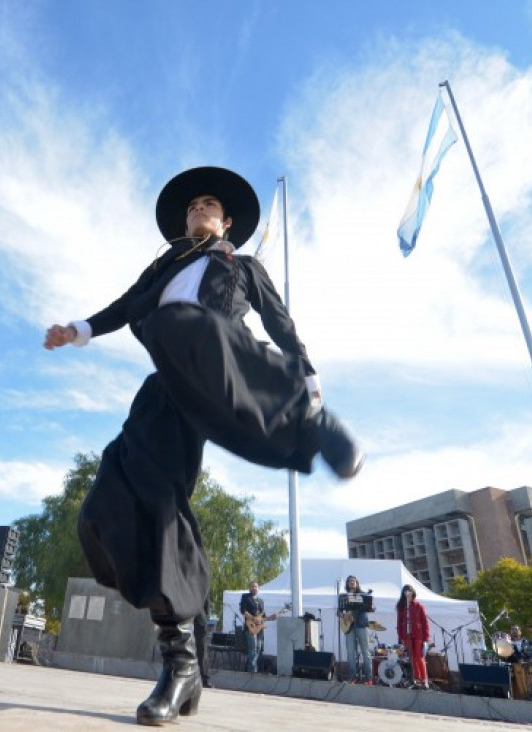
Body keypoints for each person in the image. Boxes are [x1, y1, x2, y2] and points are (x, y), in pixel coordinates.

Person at [45, 166, 362, 725]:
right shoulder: (164, 265)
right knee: (120, 503)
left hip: (222, 362)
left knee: (191, 326)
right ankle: (181, 663)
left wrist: (310, 384)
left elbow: (280, 323)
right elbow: (126, 305)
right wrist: (79, 329)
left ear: (226, 220)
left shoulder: (240, 264)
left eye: (208, 204)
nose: (198, 210)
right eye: (192, 206)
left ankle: (314, 430)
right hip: (168, 384)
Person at [239, 582, 280, 674]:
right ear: (250, 588)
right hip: (250, 627)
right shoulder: (246, 597)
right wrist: (253, 619)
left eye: (256, 586)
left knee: (258, 649)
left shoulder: (261, 601)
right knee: (252, 649)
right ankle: (252, 671)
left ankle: (249, 669)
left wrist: (272, 617)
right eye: (252, 586)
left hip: (259, 629)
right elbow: (243, 611)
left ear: (258, 588)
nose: (254, 588)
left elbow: (263, 616)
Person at [340, 575, 373, 684]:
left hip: (361, 624)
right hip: (349, 627)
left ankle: (368, 677)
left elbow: (369, 607)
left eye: (354, 581)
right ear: (347, 583)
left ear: (357, 583)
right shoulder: (343, 596)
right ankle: (352, 677)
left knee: (365, 651)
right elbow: (339, 611)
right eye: (350, 581)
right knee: (350, 652)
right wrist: (343, 615)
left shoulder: (363, 595)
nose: (352, 582)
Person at [396, 584, 430, 687]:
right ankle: (417, 679)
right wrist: (401, 636)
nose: (407, 593)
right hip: (407, 635)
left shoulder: (419, 606)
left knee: (419, 657)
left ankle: (424, 679)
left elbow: (425, 622)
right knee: (412, 658)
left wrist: (426, 638)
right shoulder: (401, 606)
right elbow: (399, 622)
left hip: (418, 635)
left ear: (413, 592)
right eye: (405, 591)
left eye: (409, 591)